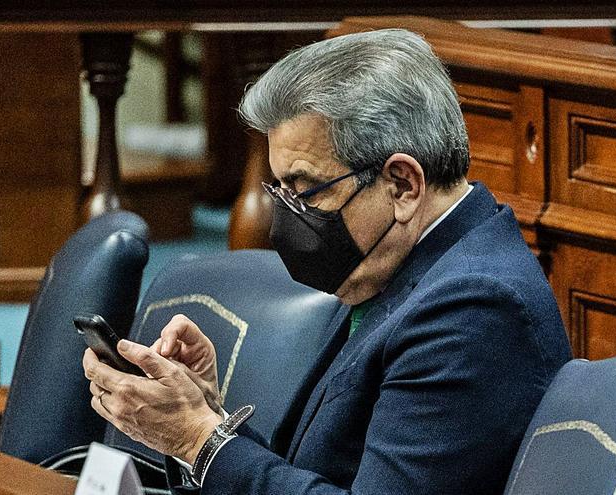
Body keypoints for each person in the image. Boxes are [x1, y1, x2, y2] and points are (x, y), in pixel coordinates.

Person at [83, 28, 571, 494]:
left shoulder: (473, 310)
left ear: (403, 185)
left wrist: (200, 441)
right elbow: (316, 474)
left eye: (305, 191)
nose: (286, 219)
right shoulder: (393, 264)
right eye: (280, 190)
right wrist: (206, 414)